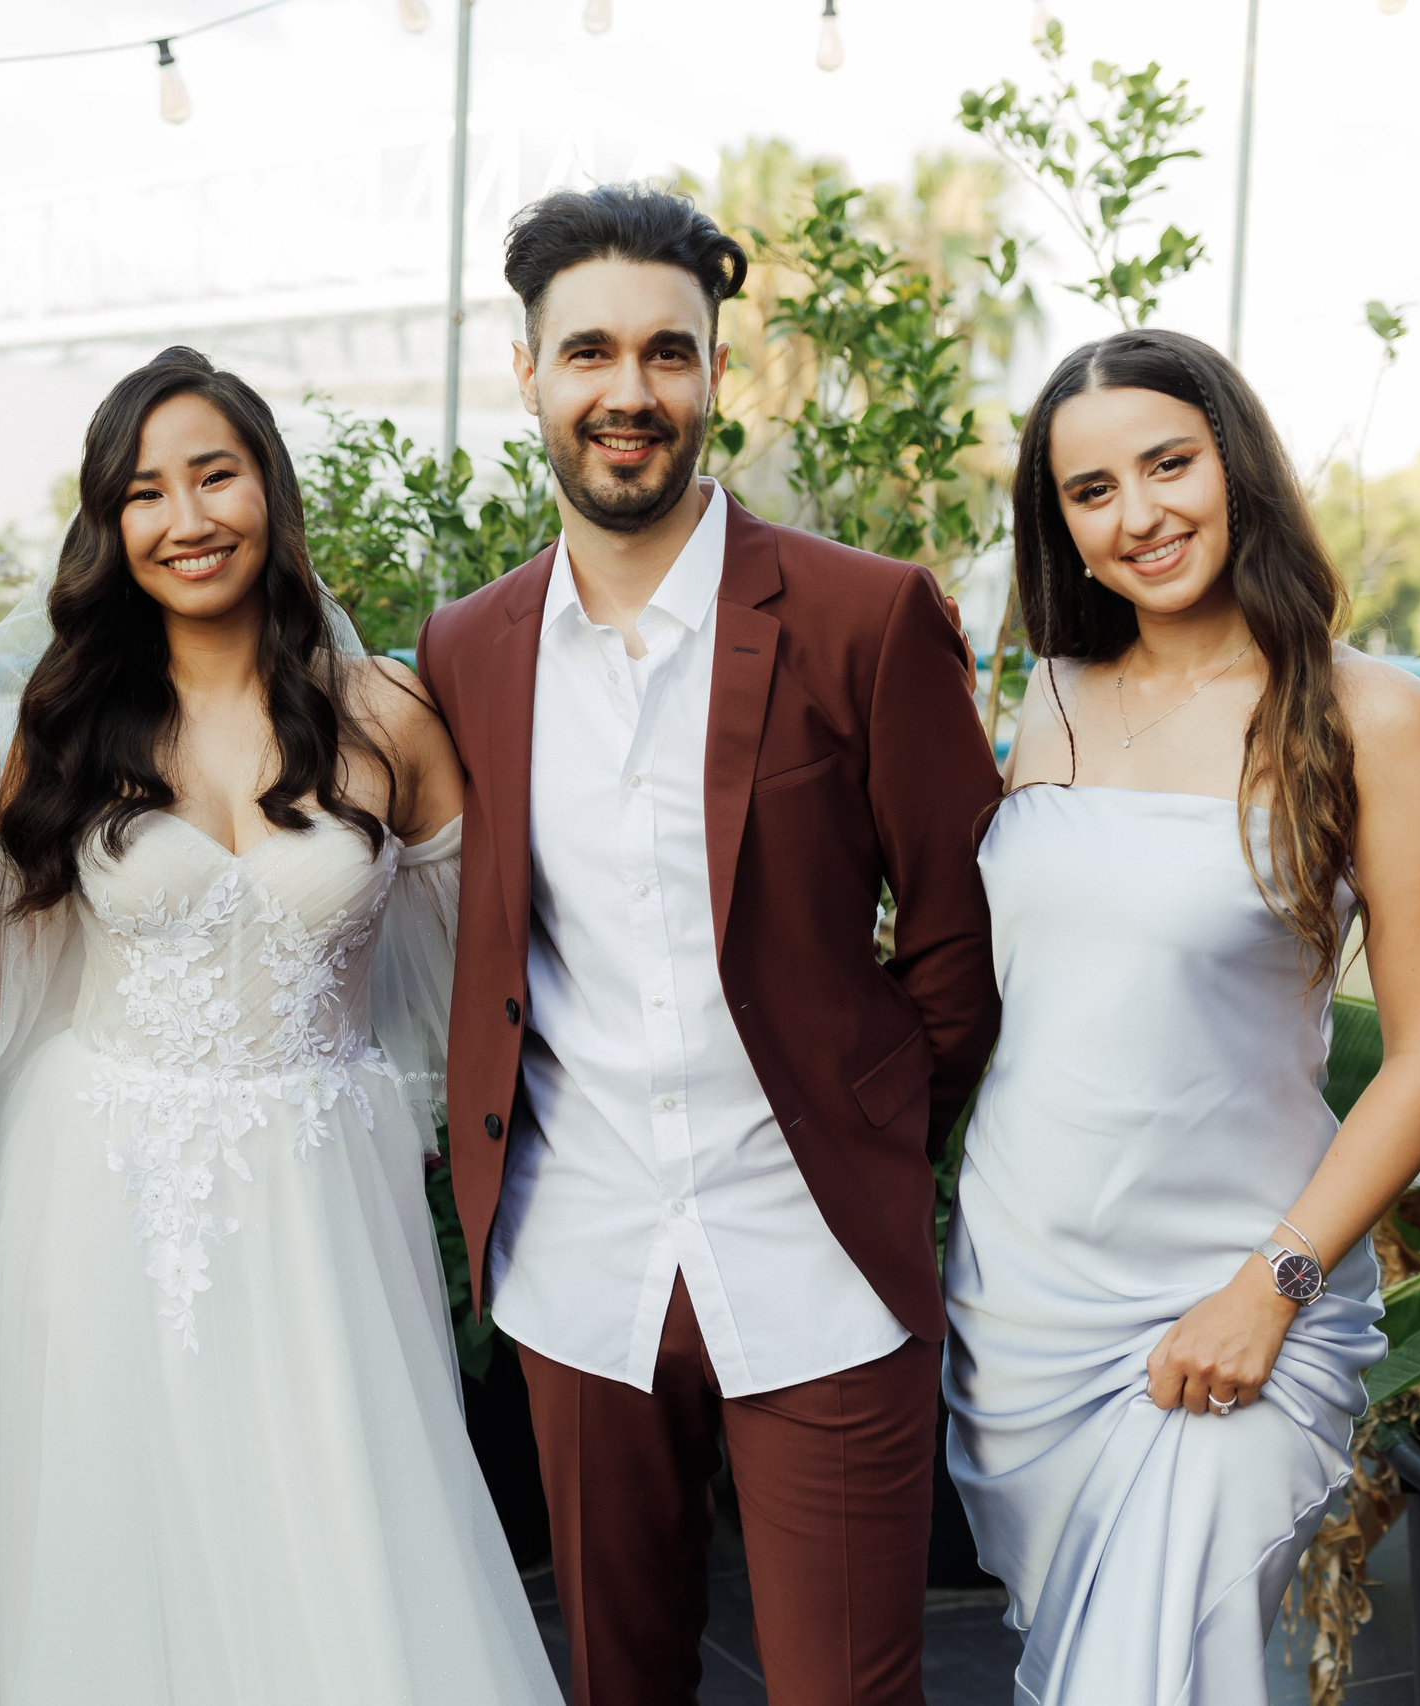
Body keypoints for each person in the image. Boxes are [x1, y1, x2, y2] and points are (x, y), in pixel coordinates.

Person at [0, 347, 561, 1706]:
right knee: (120, 1539)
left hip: (321, 1202)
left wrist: (412, 1125)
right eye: (146, 491)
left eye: (214, 475)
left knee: (338, 1527)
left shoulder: (384, 717)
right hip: (110, 1189)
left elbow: (474, 972)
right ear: (111, 526)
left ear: (269, 490)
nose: (186, 517)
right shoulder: (68, 724)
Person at [418, 183, 1005, 1706]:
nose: (631, 393)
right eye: (592, 352)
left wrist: (872, 1126)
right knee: (619, 1679)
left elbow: (966, 927)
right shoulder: (466, 647)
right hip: (577, 1256)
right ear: (530, 372)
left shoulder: (864, 619)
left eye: (668, 354)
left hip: (814, 1253)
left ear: (716, 376)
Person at [942, 328, 1420, 1704]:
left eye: (1169, 463)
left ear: (1238, 466)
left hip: (1241, 1294)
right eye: (1091, 490)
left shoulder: (1371, 716)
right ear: (1063, 527)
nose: (1140, 514)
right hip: (1025, 1292)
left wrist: (1270, 1283)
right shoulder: (1044, 697)